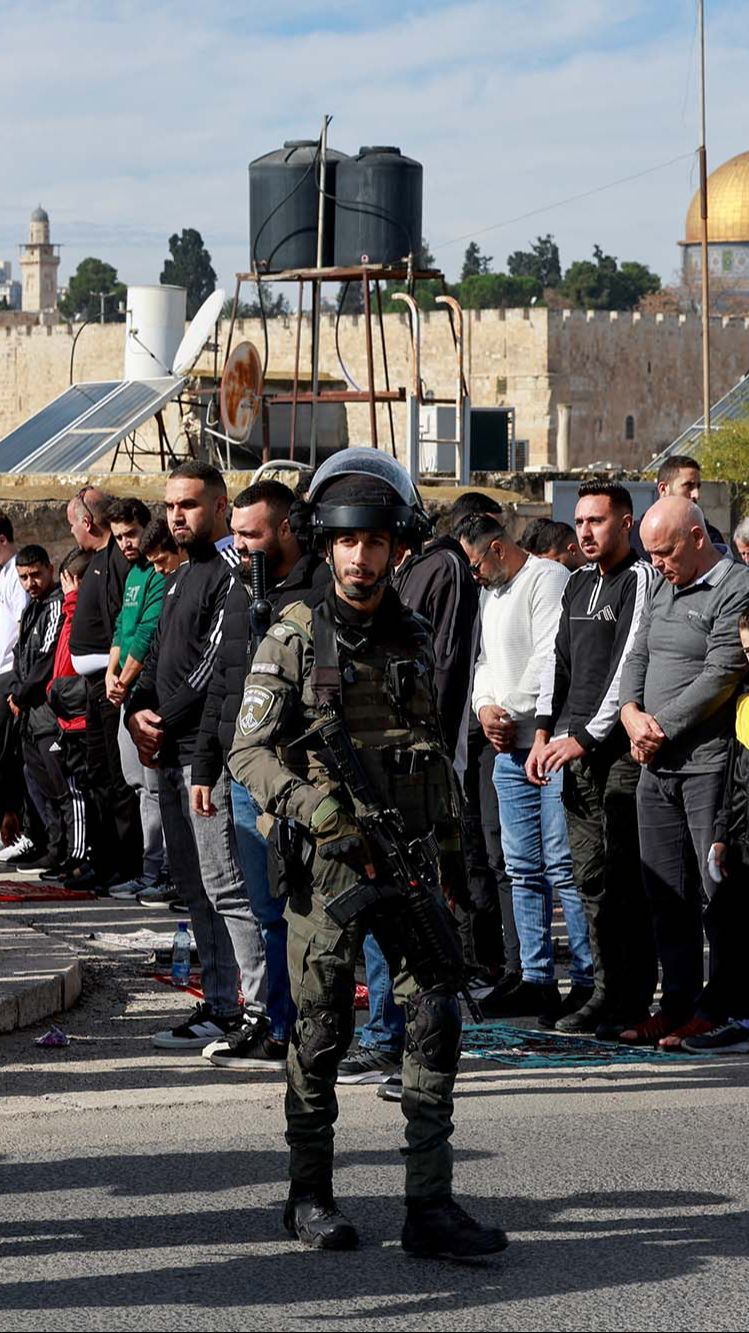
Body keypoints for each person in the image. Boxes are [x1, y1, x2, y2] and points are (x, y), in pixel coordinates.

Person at [229, 448, 508, 1260]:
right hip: (332, 867)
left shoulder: (413, 632)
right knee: (319, 1033)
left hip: (413, 861)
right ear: (325, 546)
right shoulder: (293, 636)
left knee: (435, 1019)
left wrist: (452, 865)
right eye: (346, 543)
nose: (360, 557)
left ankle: (429, 1204)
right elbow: (251, 753)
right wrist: (318, 808)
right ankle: (308, 1195)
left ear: (396, 547)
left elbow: (431, 749)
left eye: (375, 542)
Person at [125, 461, 268, 1052]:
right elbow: (158, 654)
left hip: (205, 754)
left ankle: (255, 1009)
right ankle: (216, 1004)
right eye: (169, 505)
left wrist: (164, 723)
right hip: (165, 750)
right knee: (192, 885)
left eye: (187, 505)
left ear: (219, 506)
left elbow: (216, 668)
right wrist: (137, 708)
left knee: (227, 885)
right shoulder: (181, 576)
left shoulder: (234, 574)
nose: (175, 515)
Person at [191, 480, 328, 1070]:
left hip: (304, 774)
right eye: (238, 534)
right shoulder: (242, 589)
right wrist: (205, 761)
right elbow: (226, 683)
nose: (241, 545)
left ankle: (334, 1031)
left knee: (321, 909)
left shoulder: (323, 588)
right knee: (267, 909)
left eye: (252, 534)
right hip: (247, 775)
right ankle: (278, 1028)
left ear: (287, 530)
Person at [526, 482, 658, 1035]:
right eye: (579, 522)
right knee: (589, 878)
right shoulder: (577, 584)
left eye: (597, 521)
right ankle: (604, 994)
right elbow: (557, 662)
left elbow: (626, 669)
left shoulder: (640, 579)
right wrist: (541, 731)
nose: (585, 532)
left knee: (628, 876)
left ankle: (633, 998)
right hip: (570, 750)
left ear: (626, 523)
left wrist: (584, 735)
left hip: (618, 751)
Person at [619, 496, 749, 1046]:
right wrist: (630, 716)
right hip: (656, 767)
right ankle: (675, 1003)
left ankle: (721, 1006)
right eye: (650, 555)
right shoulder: (661, 584)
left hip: (707, 766)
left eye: (665, 552)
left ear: (697, 538)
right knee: (665, 895)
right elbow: (638, 655)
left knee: (718, 898)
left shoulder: (734, 585)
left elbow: (722, 672)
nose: (658, 564)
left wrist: (659, 728)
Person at [458, 513, 592, 1027]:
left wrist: (514, 711)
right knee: (521, 867)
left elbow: (548, 657)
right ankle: (535, 977)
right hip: (508, 745)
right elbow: (485, 662)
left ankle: (583, 977)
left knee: (562, 864)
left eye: (475, 563)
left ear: (496, 548)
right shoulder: (492, 594)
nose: (474, 575)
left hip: (548, 736)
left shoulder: (546, 579)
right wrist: (485, 707)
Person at [67, 485, 141, 888]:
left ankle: (125, 865)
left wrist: (117, 675)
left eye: (72, 525)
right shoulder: (96, 560)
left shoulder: (116, 560)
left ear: (87, 522)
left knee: (118, 779)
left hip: (112, 686)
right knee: (97, 774)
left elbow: (123, 625)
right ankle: (104, 857)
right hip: (95, 686)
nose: (72, 534)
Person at [682, 612, 749, 1053]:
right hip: (743, 835)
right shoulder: (744, 700)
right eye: (747, 651)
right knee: (727, 918)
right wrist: (723, 832)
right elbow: (737, 778)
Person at [104, 498, 169, 901]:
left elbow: (147, 632)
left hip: (146, 691)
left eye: (130, 534)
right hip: (126, 691)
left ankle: (164, 871)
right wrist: (112, 674)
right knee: (138, 786)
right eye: (119, 538)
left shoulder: (157, 573)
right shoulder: (131, 575)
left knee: (156, 786)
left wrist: (123, 680)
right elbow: (120, 630)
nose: (126, 544)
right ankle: (150, 868)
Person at [7, 546, 65, 873]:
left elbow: (45, 659)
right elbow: (20, 654)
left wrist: (22, 693)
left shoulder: (55, 604)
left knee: (58, 785)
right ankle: (50, 846)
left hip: (46, 711)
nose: (31, 582)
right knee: (35, 779)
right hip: (29, 711)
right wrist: (17, 691)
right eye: (24, 577)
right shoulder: (32, 609)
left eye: (36, 574)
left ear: (50, 568)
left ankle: (65, 851)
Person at [46, 547, 93, 881]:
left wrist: (73, 601)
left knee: (81, 791)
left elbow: (69, 660)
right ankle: (76, 853)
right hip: (67, 714)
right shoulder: (69, 610)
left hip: (80, 716)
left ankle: (82, 853)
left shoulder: (77, 609)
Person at [0, 511, 30, 862]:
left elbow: (22, 630)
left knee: (8, 757)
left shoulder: (15, 574)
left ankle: (14, 829)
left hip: (10, 675)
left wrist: (17, 683)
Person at [630, 455, 725, 558]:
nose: (696, 495)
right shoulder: (633, 538)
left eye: (697, 487)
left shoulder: (710, 537)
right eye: (688, 486)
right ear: (663, 489)